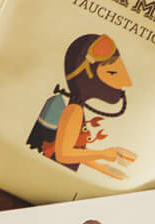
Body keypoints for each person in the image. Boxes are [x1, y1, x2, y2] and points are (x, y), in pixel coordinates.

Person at [31, 34, 137, 178]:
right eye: (112, 73)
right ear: (88, 73)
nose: (127, 82)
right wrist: (104, 153)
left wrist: (103, 168)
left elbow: (75, 152)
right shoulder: (74, 110)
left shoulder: (76, 109)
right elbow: (63, 154)